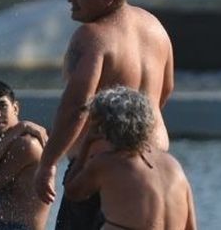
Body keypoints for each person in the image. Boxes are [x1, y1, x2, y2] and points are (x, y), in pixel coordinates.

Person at [34, 0, 174, 230]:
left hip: (101, 171)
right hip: (157, 166)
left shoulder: (93, 36)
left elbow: (76, 106)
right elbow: (165, 91)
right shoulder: (155, 27)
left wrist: (48, 162)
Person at [63, 86, 195, 230]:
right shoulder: (173, 165)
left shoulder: (107, 163)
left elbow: (72, 192)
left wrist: (86, 144)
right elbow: (191, 226)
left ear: (106, 127)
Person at [0, 80, 49, 230]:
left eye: (2, 106)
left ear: (15, 108)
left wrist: (21, 127)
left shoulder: (26, 145)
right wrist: (19, 128)